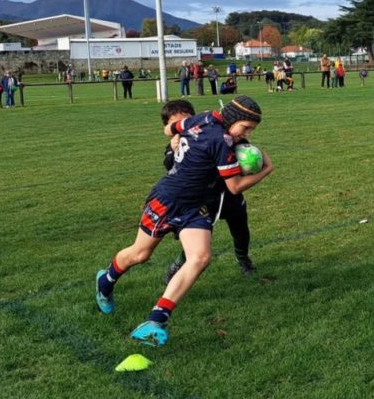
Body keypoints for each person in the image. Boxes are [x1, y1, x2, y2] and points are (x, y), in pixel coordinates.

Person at [93, 96, 274, 347]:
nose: (248, 134)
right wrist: (266, 169)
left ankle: (156, 320)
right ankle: (105, 281)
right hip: (167, 200)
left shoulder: (203, 117)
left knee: (200, 257)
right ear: (232, 119)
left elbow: (171, 128)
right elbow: (234, 187)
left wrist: (177, 139)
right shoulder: (218, 140)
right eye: (246, 128)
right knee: (140, 254)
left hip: (194, 205)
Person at [160, 100, 258, 282]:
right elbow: (169, 166)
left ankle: (243, 259)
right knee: (199, 237)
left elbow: (240, 150)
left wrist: (248, 157)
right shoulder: (178, 143)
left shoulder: (220, 136)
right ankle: (179, 263)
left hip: (229, 195)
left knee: (241, 230)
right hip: (204, 199)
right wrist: (173, 151)